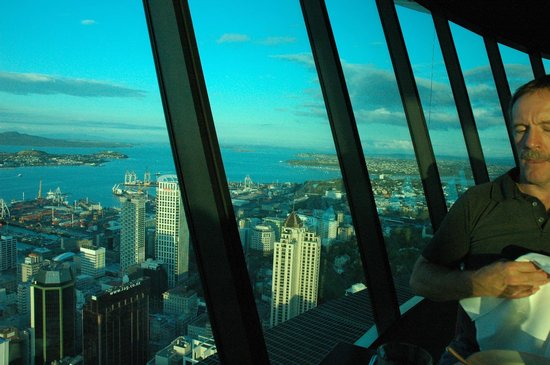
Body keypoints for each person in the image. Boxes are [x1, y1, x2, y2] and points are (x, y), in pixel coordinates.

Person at [410, 75, 550, 364]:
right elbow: (421, 278)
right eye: (521, 129)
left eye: (548, 128)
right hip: (476, 355)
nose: (530, 142)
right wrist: (477, 283)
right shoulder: (479, 202)